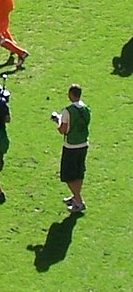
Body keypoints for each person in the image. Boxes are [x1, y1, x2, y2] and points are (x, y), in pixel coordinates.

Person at [56, 84, 91, 214]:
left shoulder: (68, 111)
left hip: (71, 146)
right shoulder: (86, 109)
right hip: (83, 143)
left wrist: (57, 122)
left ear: (71, 95)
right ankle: (75, 197)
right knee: (79, 171)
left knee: (68, 175)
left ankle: (79, 200)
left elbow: (63, 130)